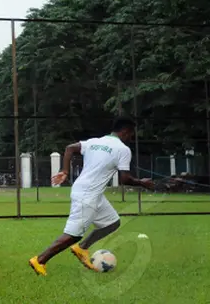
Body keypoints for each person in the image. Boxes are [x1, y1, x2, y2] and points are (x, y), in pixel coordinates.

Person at [29, 116, 155, 275]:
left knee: (112, 222)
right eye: (131, 134)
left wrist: (65, 171)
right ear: (125, 131)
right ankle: (39, 260)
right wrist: (142, 183)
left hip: (91, 193)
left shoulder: (94, 142)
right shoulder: (123, 149)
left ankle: (82, 248)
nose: (131, 137)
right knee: (73, 235)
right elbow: (125, 179)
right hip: (87, 194)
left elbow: (69, 148)